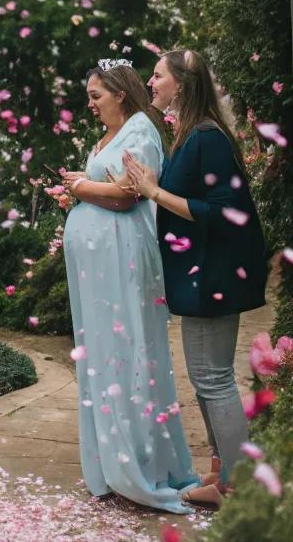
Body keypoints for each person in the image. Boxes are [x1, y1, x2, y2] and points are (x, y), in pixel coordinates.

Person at [122, 48, 267, 510]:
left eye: (158, 76)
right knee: (208, 379)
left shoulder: (207, 138)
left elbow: (227, 212)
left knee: (214, 378)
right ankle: (221, 477)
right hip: (202, 275)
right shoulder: (192, 134)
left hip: (214, 276)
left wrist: (154, 191)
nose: (152, 83)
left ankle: (240, 485)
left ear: (182, 85)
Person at [60, 61, 198, 513]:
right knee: (102, 356)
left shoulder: (140, 131)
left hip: (122, 259)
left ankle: (141, 463)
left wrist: (82, 187)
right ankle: (110, 463)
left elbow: (126, 196)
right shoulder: (109, 137)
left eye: (97, 95)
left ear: (121, 93)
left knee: (128, 351)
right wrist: (81, 190)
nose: (91, 103)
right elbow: (108, 187)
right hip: (98, 267)